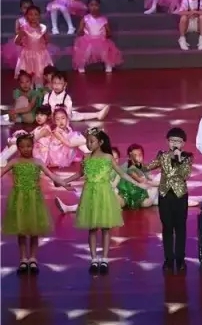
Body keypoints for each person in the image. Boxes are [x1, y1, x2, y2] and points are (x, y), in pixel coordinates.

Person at [61, 128, 136, 274]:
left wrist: (137, 183)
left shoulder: (108, 157)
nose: (89, 144)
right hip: (90, 194)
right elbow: (79, 174)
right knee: (93, 228)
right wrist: (64, 181)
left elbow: (121, 173)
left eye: (92, 141)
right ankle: (94, 258)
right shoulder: (86, 158)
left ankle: (105, 258)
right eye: (87, 141)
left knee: (106, 228)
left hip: (104, 194)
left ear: (100, 142)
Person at [1, 133, 74, 275]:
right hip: (18, 199)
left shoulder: (38, 162)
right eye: (22, 147)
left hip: (34, 199)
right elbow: (1, 172)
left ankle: (33, 258)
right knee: (21, 230)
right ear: (18, 148)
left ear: (33, 146)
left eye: (29, 146)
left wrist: (64, 184)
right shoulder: (14, 162)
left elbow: (52, 176)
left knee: (34, 230)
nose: (26, 149)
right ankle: (23, 258)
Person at [143, 128, 193, 273]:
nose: (175, 143)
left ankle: (180, 259)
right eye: (172, 140)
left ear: (183, 143)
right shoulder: (162, 156)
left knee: (180, 228)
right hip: (165, 196)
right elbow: (149, 166)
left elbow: (185, 175)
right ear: (167, 142)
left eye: (178, 141)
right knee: (167, 228)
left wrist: (178, 159)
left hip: (180, 196)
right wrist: (137, 166)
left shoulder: (187, 157)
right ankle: (168, 260)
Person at [72, 0, 123, 73]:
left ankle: (108, 64)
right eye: (91, 5)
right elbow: (80, 30)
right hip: (88, 39)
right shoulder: (85, 18)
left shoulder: (103, 19)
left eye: (96, 5)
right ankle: (81, 65)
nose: (94, 7)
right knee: (86, 52)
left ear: (99, 6)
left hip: (100, 39)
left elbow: (108, 31)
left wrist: (107, 34)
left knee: (104, 52)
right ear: (88, 6)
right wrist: (81, 32)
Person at [42, 71, 110, 121]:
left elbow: (68, 113)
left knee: (79, 115)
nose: (56, 86)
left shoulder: (66, 98)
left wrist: (61, 117)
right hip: (50, 118)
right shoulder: (47, 96)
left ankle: (98, 114)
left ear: (65, 84)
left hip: (64, 118)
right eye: (54, 83)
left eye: (59, 83)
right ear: (51, 84)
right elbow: (44, 109)